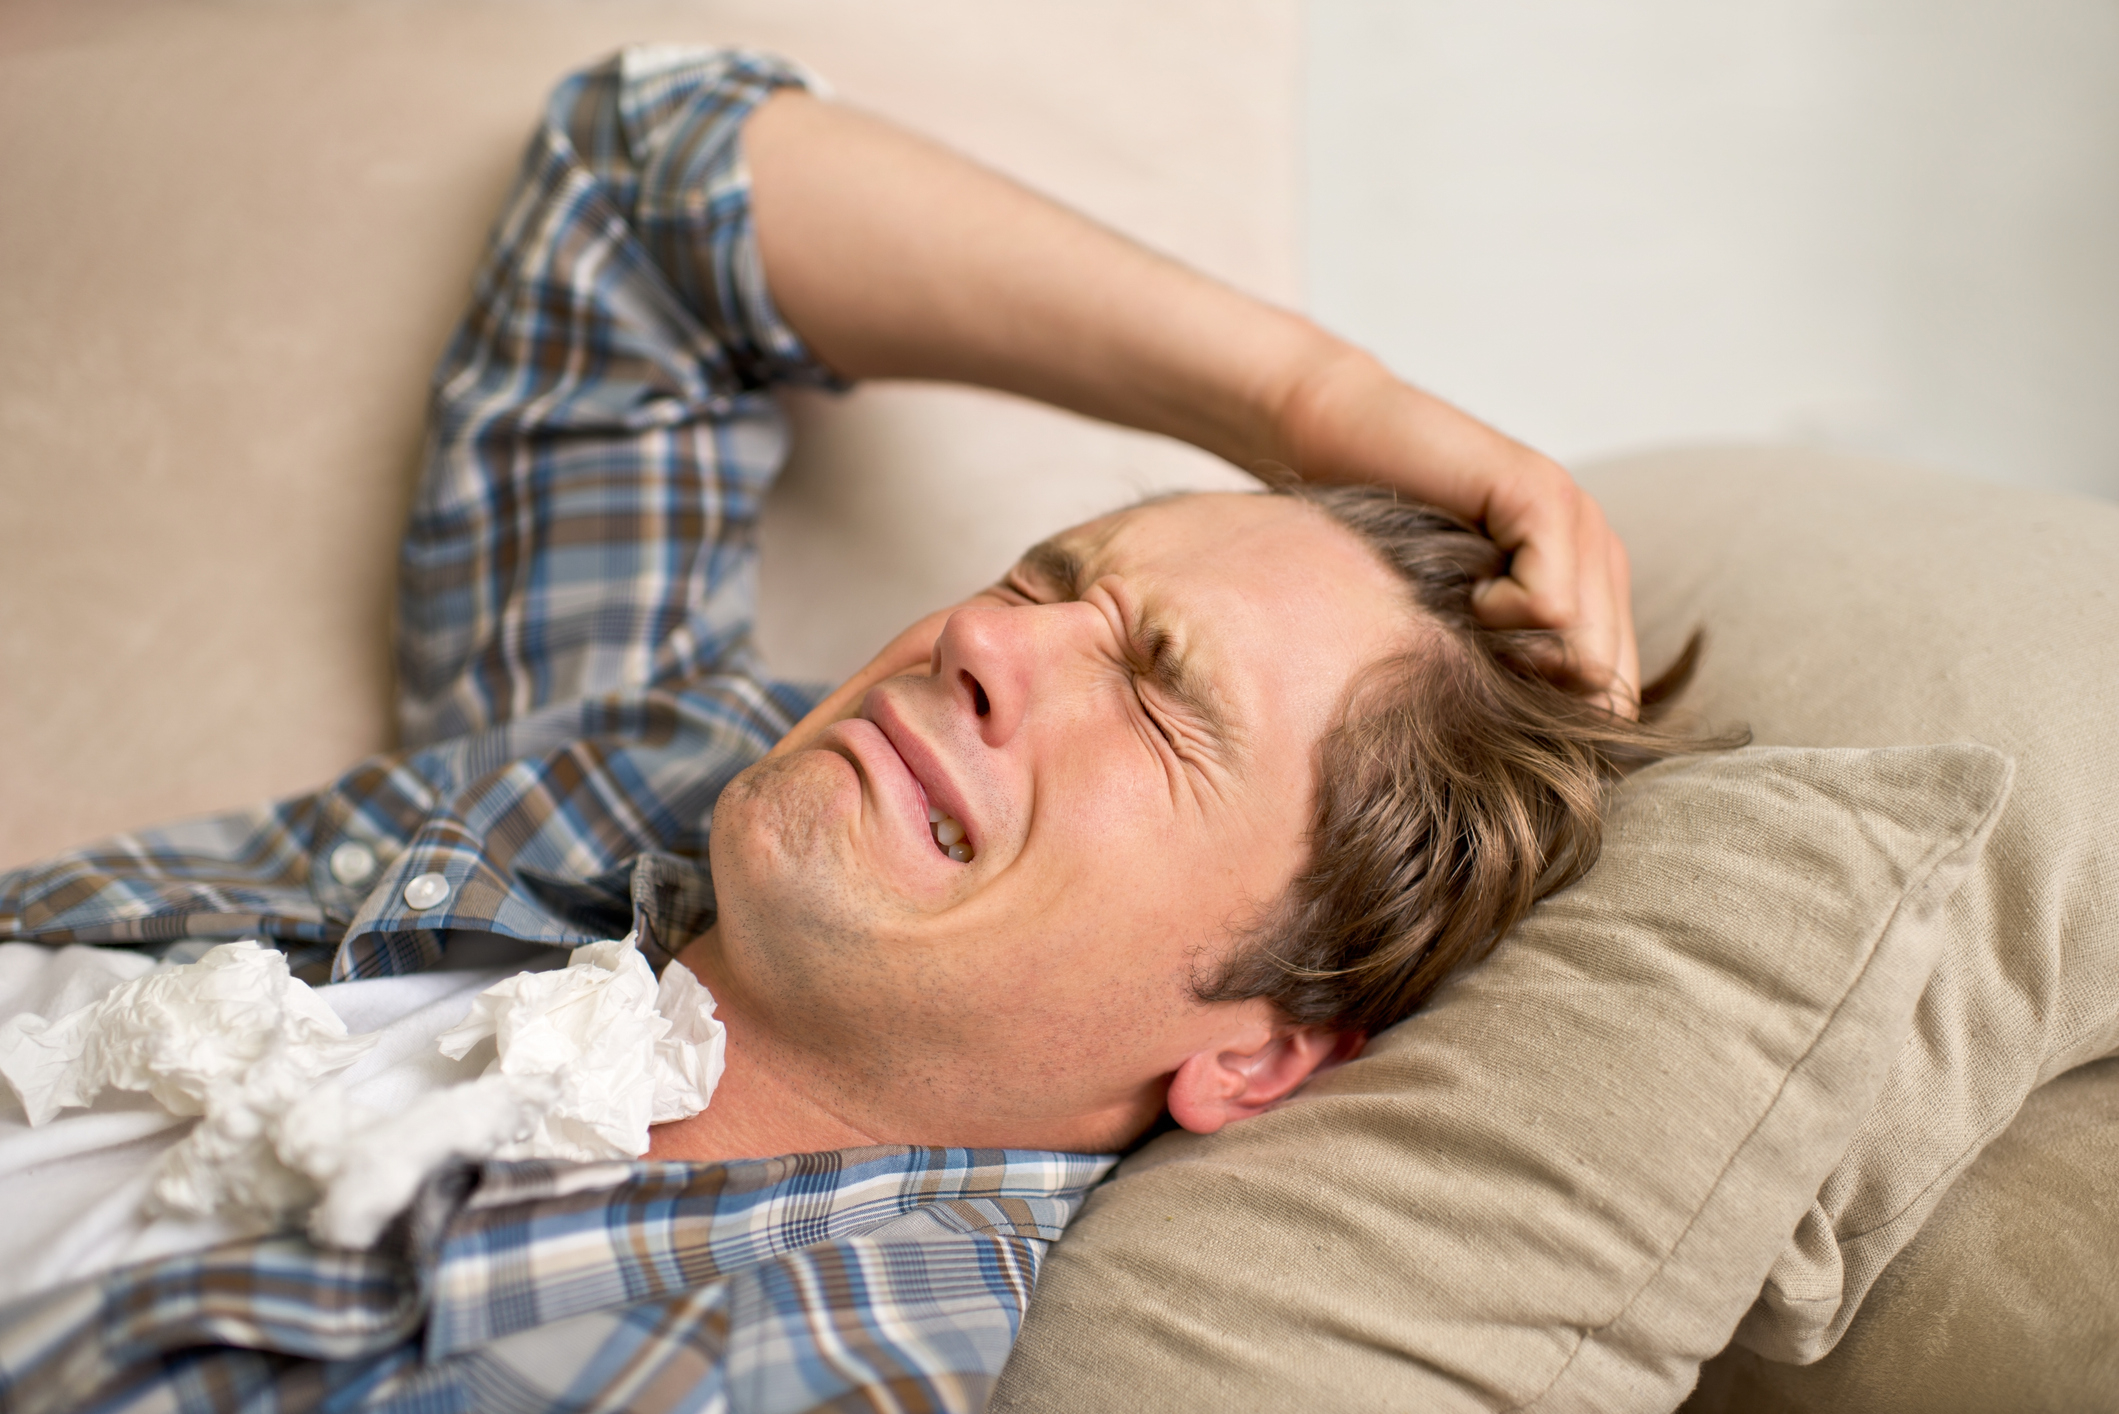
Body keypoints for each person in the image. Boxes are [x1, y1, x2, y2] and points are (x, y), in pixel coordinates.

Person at [0, 45, 1694, 1414]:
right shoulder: (648, 763)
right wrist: (1310, 403)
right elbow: (647, 181)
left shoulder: (803, 1363)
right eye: (1048, 580)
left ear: (1254, 1050)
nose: (982, 633)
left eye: (1163, 695)